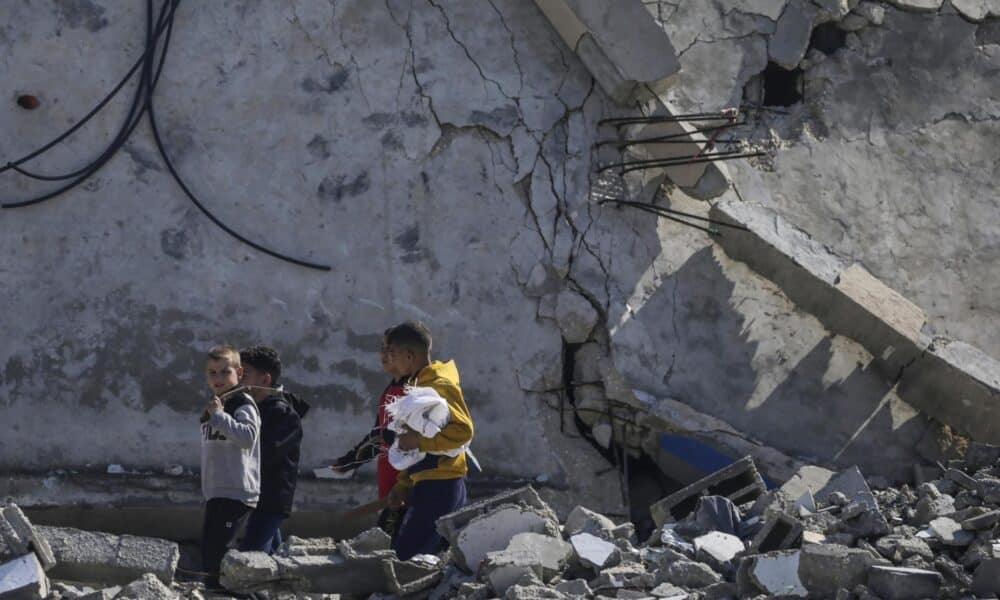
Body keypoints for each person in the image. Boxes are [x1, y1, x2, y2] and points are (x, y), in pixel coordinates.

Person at [384, 321, 474, 560]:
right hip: (427, 482)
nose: (390, 360)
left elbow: (464, 431)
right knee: (431, 560)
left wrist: (420, 441)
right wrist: (403, 483)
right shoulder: (418, 386)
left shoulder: (438, 384)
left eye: (393, 354)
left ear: (409, 355)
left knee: (408, 559)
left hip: (441, 485)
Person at [330, 330, 406, 536]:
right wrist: (351, 461)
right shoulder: (390, 390)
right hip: (390, 485)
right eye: (382, 348)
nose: (383, 354)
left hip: (407, 488)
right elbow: (378, 435)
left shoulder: (416, 392)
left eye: (390, 350)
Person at [238, 345, 309, 555]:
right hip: (256, 492)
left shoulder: (283, 414)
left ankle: (250, 586)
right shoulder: (252, 407)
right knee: (271, 548)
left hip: (271, 495)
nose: (239, 378)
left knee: (253, 555)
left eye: (245, 373)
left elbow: (266, 453)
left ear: (265, 379)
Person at [200, 345, 260, 588]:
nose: (218, 378)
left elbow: (247, 437)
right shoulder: (216, 406)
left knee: (222, 556)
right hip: (216, 492)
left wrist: (221, 416)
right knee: (210, 552)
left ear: (239, 373)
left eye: (225, 372)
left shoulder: (242, 403)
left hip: (235, 492)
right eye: (212, 373)